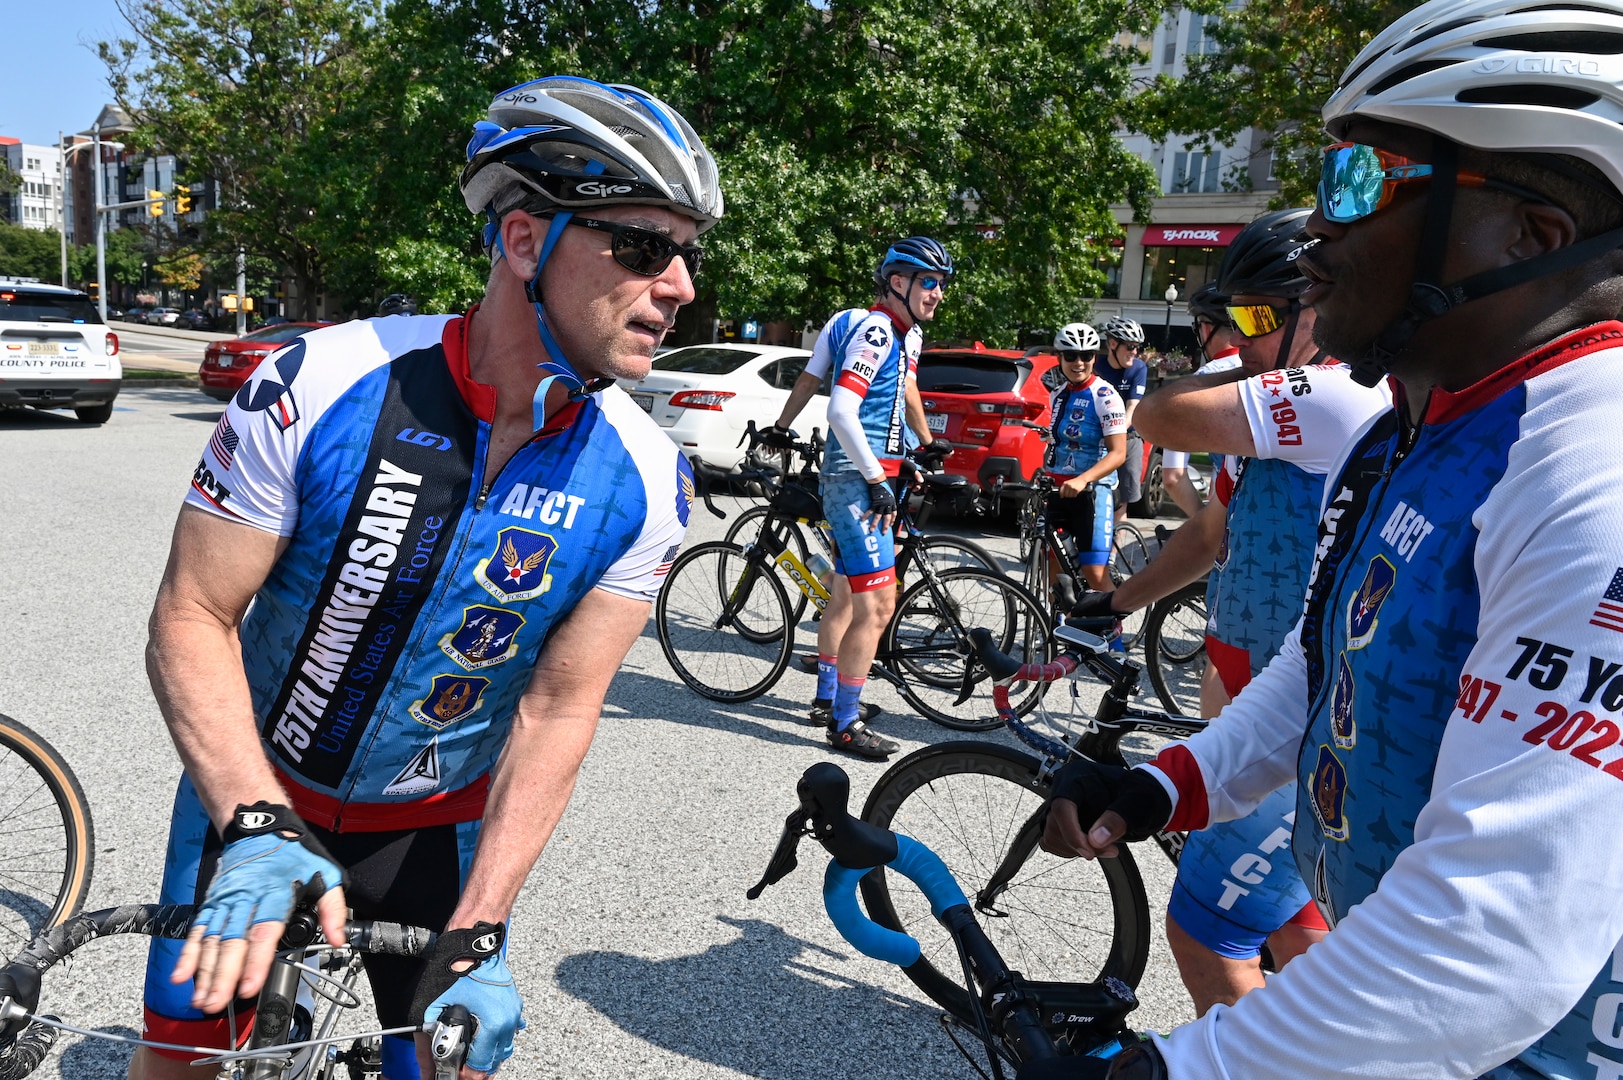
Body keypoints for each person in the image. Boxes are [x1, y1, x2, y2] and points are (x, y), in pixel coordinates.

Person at [1031, 3, 1623, 1075]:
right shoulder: (1422, 424)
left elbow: (1492, 942)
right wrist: (1171, 782)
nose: (1316, 232)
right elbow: (1329, 660)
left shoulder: (1598, 464)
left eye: (1360, 179)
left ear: (1532, 236)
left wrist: (1178, 1069)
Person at [131, 76, 722, 1080]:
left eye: (688, 254)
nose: (680, 287)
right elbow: (193, 612)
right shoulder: (321, 384)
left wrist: (483, 928)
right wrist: (253, 816)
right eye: (641, 247)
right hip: (260, 797)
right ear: (526, 241)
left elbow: (561, 709)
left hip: (434, 833)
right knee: (177, 1059)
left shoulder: (648, 479)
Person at [1073, 208, 1391, 1015]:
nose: (1235, 343)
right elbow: (1214, 531)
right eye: (1231, 320)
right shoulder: (1286, 418)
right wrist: (1116, 600)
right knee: (1298, 931)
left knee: (1210, 928)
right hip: (1255, 712)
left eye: (1256, 318)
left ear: (1313, 310)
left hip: (1290, 723)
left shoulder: (1331, 393)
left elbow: (1156, 413)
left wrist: (1223, 370)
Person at [763, 238, 951, 760]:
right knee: (878, 603)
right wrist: (874, 478)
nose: (938, 295)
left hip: (872, 475)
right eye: (929, 283)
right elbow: (841, 411)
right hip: (855, 481)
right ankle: (845, 722)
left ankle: (830, 698)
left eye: (941, 285)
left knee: (847, 593)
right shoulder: (872, 329)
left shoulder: (902, 334)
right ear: (898, 283)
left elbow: (894, 403)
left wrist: (914, 453)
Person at [1043, 322, 1127, 596]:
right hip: (1059, 491)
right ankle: (1063, 630)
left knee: (1095, 574)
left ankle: (1115, 637)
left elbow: (1118, 453)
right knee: (1054, 566)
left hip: (1093, 493)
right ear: (1060, 358)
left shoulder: (1105, 395)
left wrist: (1082, 480)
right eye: (1070, 356)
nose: (1078, 362)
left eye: (1086, 355)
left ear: (1094, 357)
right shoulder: (1059, 394)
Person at [1157, 284, 1242, 519]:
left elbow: (1173, 477)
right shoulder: (1271, 375)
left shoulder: (1199, 384)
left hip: (1223, 514)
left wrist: (1203, 523)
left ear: (1206, 328)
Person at [1093, 317, 1148, 521]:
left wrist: (1114, 433)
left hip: (1127, 438)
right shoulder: (1096, 366)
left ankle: (1114, 553)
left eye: (1138, 347)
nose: (1135, 352)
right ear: (1113, 344)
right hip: (1095, 437)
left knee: (1120, 503)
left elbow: (1131, 408)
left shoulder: (1138, 368)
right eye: (1131, 346)